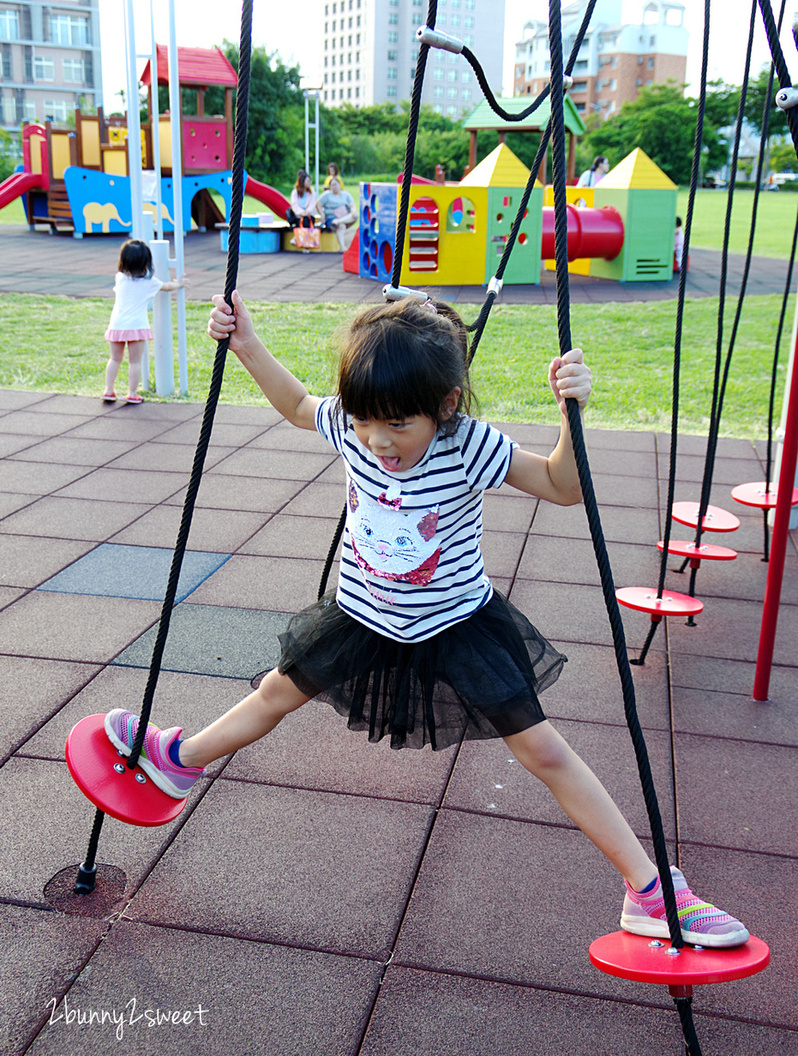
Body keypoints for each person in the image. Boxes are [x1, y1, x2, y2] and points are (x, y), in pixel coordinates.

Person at [106, 292, 750, 949]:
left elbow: (562, 487)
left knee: (545, 750)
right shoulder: (356, 428)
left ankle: (649, 889)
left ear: (445, 406)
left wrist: (570, 415)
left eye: (397, 425)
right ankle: (178, 761)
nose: (378, 440)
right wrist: (246, 344)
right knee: (275, 692)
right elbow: (300, 406)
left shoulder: (468, 446)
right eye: (363, 421)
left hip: (457, 625)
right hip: (360, 615)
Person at [102, 239, 186, 404]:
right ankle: (132, 393)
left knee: (114, 359)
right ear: (146, 263)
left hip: (117, 325)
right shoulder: (149, 282)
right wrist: (178, 284)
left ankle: (109, 390)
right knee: (135, 361)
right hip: (137, 326)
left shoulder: (119, 278)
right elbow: (167, 286)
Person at [317, 177, 357, 251]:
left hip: (344, 217)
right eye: (332, 185)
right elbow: (318, 204)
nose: (334, 187)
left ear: (339, 185)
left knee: (355, 216)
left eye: (336, 184)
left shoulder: (346, 195)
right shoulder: (327, 195)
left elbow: (352, 206)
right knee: (341, 226)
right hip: (332, 218)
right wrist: (322, 214)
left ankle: (340, 221)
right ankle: (342, 247)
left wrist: (353, 212)